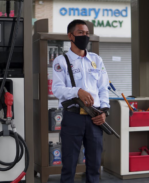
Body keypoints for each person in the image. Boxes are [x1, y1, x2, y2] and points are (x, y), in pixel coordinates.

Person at [52, 19, 110, 183]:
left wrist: (105, 111)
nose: (85, 36)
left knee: (94, 165)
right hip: (73, 117)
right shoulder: (61, 61)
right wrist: (77, 91)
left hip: (95, 118)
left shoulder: (96, 60)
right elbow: (56, 89)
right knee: (69, 165)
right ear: (70, 36)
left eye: (87, 34)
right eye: (80, 33)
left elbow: (103, 88)